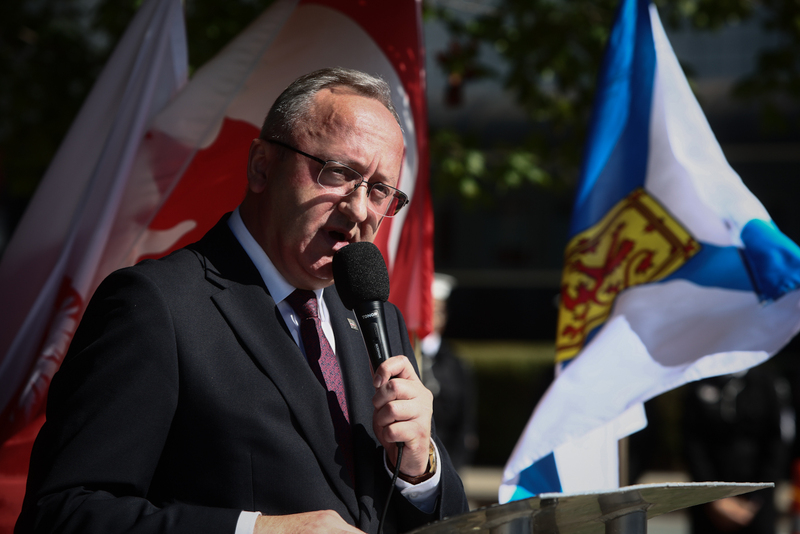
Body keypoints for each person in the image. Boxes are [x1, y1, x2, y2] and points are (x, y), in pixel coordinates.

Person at [15, 67, 469, 534]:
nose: (358, 210)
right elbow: (62, 514)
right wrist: (255, 531)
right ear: (261, 167)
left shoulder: (378, 320)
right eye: (338, 173)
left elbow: (448, 518)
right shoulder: (157, 306)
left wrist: (421, 470)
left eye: (379, 191)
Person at [420, 274, 478, 471]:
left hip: (448, 456)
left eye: (437, 311)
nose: (432, 318)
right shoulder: (404, 352)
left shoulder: (454, 362)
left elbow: (464, 415)